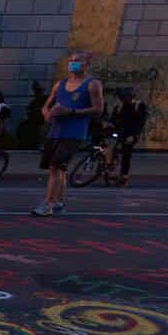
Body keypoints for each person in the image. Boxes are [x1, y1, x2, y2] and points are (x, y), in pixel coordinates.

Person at [34, 51, 103, 217]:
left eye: (77, 61)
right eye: (71, 60)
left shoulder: (92, 84)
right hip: (55, 131)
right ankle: (58, 203)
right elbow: (46, 106)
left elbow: (98, 110)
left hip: (74, 133)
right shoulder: (60, 84)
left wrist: (70, 111)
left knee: (55, 166)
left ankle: (48, 204)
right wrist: (47, 114)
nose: (73, 63)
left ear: (87, 64)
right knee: (58, 170)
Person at [110, 87, 146, 186]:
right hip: (119, 131)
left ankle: (124, 176)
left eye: (125, 97)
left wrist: (134, 135)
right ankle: (110, 169)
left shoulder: (139, 106)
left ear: (131, 97)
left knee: (126, 154)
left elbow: (140, 122)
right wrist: (110, 125)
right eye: (122, 98)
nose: (123, 100)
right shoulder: (119, 106)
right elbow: (113, 119)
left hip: (130, 133)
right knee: (110, 149)